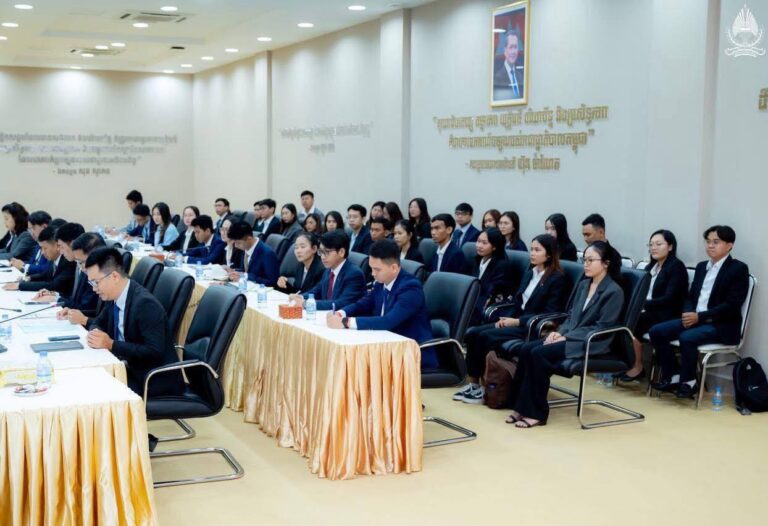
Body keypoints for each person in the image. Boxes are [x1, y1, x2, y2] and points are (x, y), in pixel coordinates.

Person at [506, 241, 624, 428]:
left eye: (591, 260)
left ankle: (537, 413)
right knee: (527, 349)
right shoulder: (584, 285)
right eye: (584, 260)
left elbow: (601, 327)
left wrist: (567, 337)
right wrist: (558, 332)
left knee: (539, 354)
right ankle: (520, 406)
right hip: (571, 336)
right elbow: (571, 317)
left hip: (591, 342)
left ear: (606, 263)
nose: (586, 264)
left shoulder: (614, 291)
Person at [456, 234, 569, 403]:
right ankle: (474, 384)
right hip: (516, 320)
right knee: (473, 333)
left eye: (537, 250)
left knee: (485, 336)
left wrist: (516, 322)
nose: (532, 253)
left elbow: (550, 313)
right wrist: (507, 318)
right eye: (531, 249)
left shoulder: (557, 278)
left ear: (549, 254)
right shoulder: (530, 273)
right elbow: (518, 301)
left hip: (532, 327)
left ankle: (485, 387)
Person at [649, 225, 750, 399]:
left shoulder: (738, 269)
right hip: (696, 319)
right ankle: (673, 375)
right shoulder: (702, 266)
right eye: (708, 241)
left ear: (729, 245)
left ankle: (689, 382)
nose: (710, 245)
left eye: (716, 242)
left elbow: (731, 305)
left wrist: (700, 317)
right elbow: (691, 296)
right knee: (657, 331)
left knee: (687, 337)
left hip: (721, 324)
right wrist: (688, 312)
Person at [84, 247, 182, 397]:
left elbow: (154, 351)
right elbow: (98, 322)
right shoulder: (113, 295)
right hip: (129, 367)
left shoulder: (145, 304)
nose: (94, 289)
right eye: (91, 283)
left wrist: (111, 344)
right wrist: (95, 333)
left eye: (96, 282)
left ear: (114, 276)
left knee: (95, 390)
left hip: (152, 379)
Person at [327, 239, 436, 367]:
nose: (373, 274)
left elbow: (388, 321)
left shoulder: (411, 288)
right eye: (371, 268)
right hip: (386, 347)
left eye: (377, 269)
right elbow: (363, 304)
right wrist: (341, 313)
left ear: (393, 268)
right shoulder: (381, 282)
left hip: (412, 354)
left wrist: (346, 322)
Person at [618, 229, 688, 382]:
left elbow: (670, 299)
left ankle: (637, 366)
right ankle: (626, 364)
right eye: (651, 245)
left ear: (670, 246)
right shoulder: (650, 267)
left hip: (667, 313)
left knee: (633, 322)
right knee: (622, 318)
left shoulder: (676, 267)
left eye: (658, 244)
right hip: (648, 311)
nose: (653, 248)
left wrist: (643, 305)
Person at [289, 230, 366, 311]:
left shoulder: (354, 274)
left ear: (341, 252)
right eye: (321, 252)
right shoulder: (329, 270)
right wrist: (300, 297)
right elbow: (317, 291)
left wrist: (306, 304)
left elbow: (342, 303)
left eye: (327, 252)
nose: (322, 257)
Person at [47, 232, 105, 326]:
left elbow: (91, 310)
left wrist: (84, 319)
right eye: (79, 262)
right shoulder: (86, 271)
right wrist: (71, 311)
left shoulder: (98, 278)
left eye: (81, 262)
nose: (81, 267)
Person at [4, 226, 76, 294]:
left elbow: (53, 285)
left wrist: (20, 286)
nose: (43, 252)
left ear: (57, 246)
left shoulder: (68, 261)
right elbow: (44, 275)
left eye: (45, 248)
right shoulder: (53, 257)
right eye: (41, 248)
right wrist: (29, 278)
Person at [465, 228, 514, 325]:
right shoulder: (477, 259)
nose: (479, 245)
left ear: (494, 247)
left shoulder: (502, 265)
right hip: (474, 302)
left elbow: (491, 293)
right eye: (478, 241)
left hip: (489, 307)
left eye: (484, 243)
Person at [224, 221, 279, 286]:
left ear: (249, 239)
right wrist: (233, 271)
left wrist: (246, 276)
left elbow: (272, 281)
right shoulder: (245, 247)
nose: (235, 246)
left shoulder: (267, 253)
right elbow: (245, 271)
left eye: (238, 243)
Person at [9, 210, 52, 275]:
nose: (31, 233)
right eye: (29, 229)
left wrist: (24, 266)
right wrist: (19, 263)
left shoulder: (51, 245)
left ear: (44, 227)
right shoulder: (37, 245)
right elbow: (32, 264)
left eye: (33, 228)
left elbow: (47, 269)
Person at [493, 31, 524, 100]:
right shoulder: (498, 78)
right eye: (511, 47)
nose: (513, 52)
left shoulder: (520, 76)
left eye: (515, 47)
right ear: (505, 50)